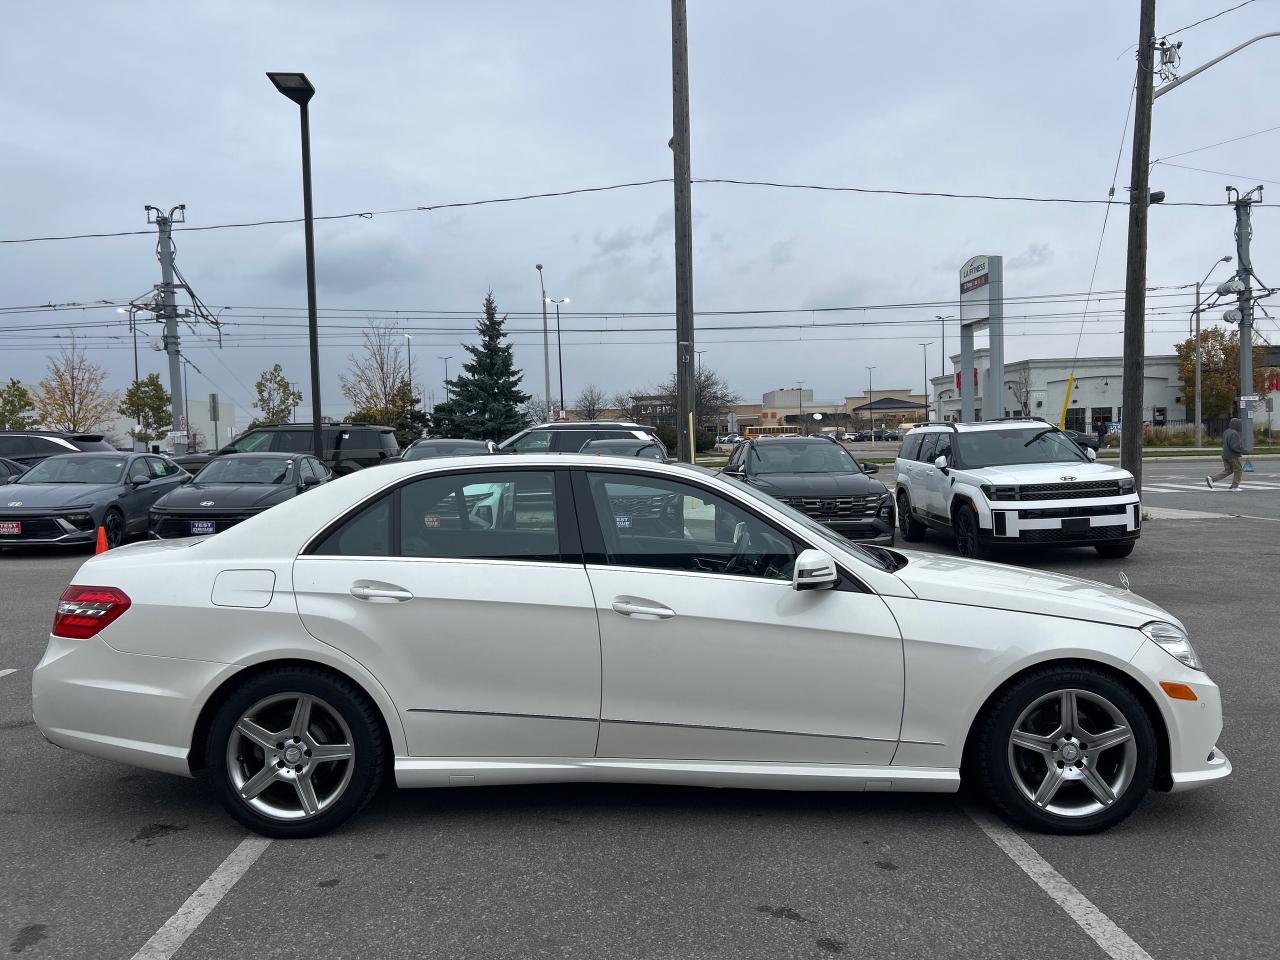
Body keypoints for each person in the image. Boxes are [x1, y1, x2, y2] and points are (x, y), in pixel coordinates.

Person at [1206, 417, 1246, 491]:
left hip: (1225, 455)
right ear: (1237, 425)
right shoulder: (1234, 433)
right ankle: (1235, 486)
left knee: (1229, 470)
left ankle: (1212, 479)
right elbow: (1234, 446)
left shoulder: (1226, 431)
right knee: (1238, 470)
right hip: (1233, 456)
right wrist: (1242, 450)